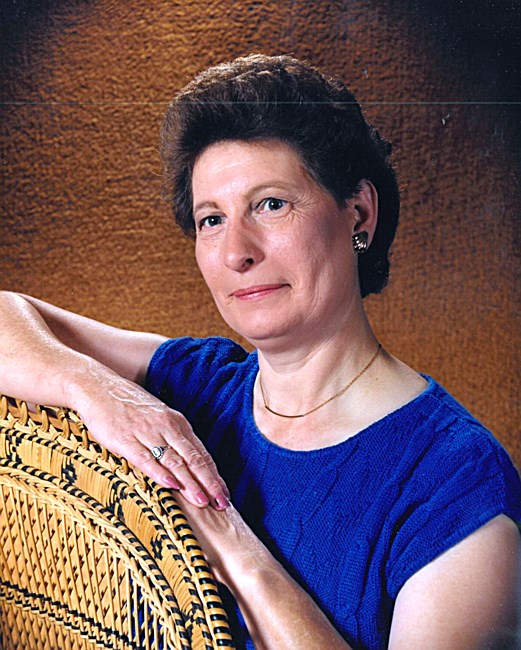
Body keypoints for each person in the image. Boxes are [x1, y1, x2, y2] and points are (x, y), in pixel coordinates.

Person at [0, 54, 520, 650]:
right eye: (211, 220)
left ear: (359, 215)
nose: (236, 252)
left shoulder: (455, 483)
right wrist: (94, 390)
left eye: (271, 204)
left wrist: (231, 546)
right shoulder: (201, 387)